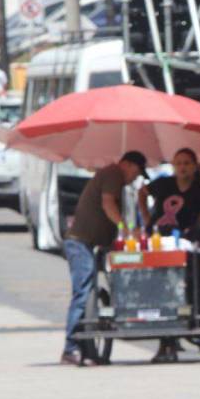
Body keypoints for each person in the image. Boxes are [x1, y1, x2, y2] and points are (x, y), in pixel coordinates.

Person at [61, 151, 149, 366]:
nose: (134, 179)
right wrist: (124, 229)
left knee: (96, 289)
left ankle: (86, 346)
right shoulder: (113, 174)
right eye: (136, 172)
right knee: (83, 292)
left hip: (93, 244)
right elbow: (107, 204)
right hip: (80, 242)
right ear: (126, 165)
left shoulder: (117, 181)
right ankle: (71, 347)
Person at [138, 147, 200, 363]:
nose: (182, 167)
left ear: (194, 166)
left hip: (185, 245)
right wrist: (146, 219)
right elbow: (142, 192)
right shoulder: (163, 184)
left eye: (187, 163)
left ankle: (172, 337)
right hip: (159, 242)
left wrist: (199, 229)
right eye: (178, 163)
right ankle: (166, 341)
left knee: (181, 287)